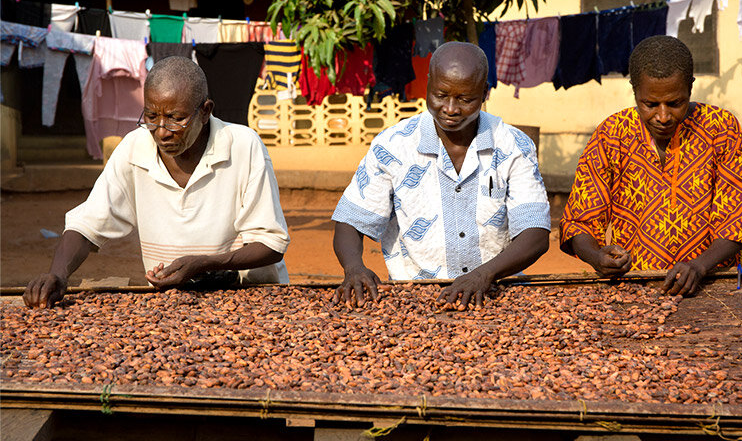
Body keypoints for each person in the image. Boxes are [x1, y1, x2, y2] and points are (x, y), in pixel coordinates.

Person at [23, 56, 290, 308]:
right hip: (171, 301)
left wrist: (206, 264)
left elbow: (271, 243)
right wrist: (58, 273)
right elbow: (87, 224)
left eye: (176, 118)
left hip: (248, 297)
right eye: (151, 116)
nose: (162, 131)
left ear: (205, 111)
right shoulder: (134, 148)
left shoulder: (243, 146)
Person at [332, 41, 551, 310]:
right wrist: (354, 268)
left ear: (484, 93)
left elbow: (535, 234)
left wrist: (484, 274)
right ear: (428, 85)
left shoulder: (513, 145)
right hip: (415, 300)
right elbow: (351, 222)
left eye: (465, 99)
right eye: (440, 94)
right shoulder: (393, 145)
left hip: (496, 294)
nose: (450, 108)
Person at [559, 35, 742, 296]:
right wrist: (597, 257)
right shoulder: (611, 135)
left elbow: (735, 221)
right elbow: (579, 222)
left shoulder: (721, 129)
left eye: (675, 103)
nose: (663, 117)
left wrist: (699, 266)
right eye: (650, 104)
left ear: (690, 88)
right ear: (634, 91)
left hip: (715, 284)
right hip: (635, 288)